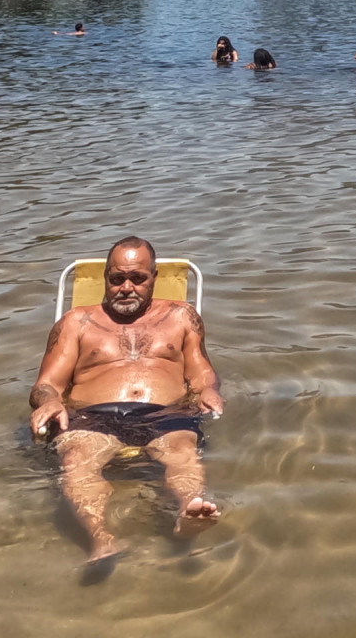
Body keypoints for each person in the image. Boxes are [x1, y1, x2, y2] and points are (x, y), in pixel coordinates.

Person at [29, 237, 224, 562]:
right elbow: (46, 384)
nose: (126, 287)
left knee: (182, 453)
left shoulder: (181, 316)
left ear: (154, 277)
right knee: (77, 460)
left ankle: (190, 510)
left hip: (166, 415)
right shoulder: (76, 322)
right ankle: (101, 539)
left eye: (138, 278)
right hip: (93, 417)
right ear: (105, 277)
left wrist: (209, 390)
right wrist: (48, 400)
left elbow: (202, 372)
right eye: (116, 279)